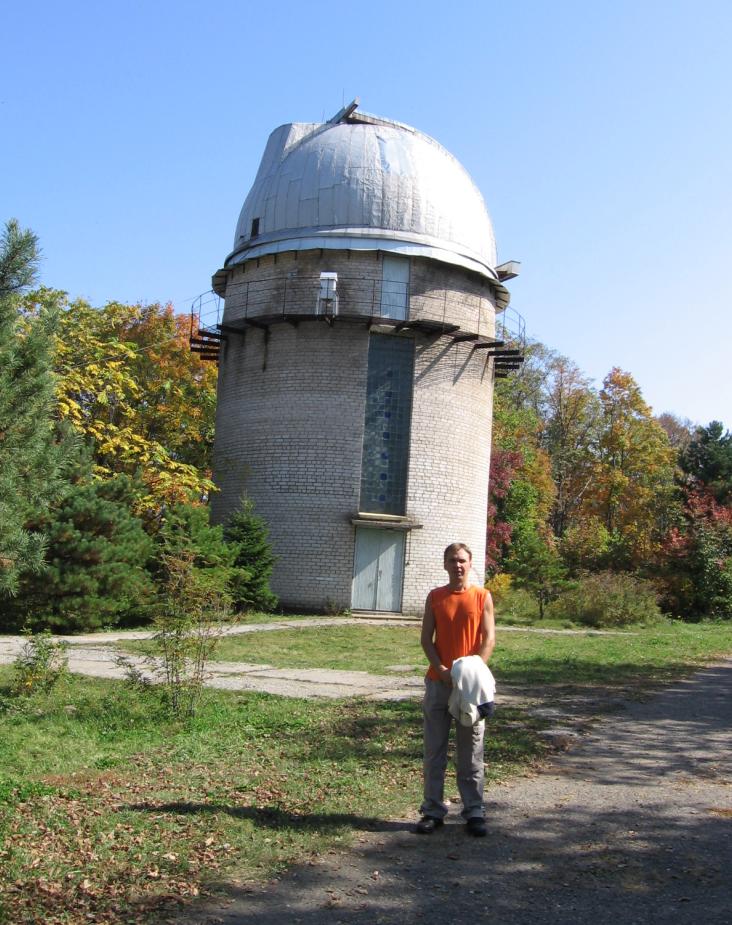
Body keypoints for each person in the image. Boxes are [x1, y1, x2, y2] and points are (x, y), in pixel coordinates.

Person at [416, 542, 496, 836]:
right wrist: (441, 670)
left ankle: (474, 811)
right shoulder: (436, 597)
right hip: (438, 684)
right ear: (445, 564)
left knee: (471, 750)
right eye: (452, 560)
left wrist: (471, 670)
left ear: (470, 563)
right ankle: (432, 811)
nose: (457, 565)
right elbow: (426, 639)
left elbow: (488, 639)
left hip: (470, 687)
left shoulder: (482, 596)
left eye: (462, 560)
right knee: (434, 750)